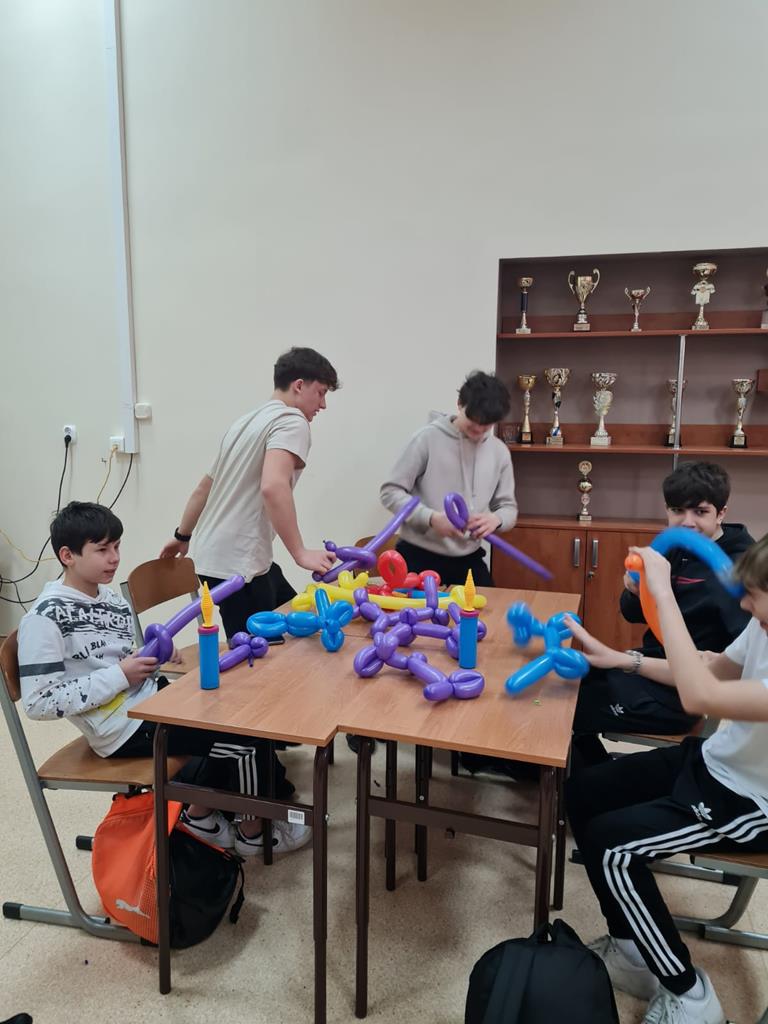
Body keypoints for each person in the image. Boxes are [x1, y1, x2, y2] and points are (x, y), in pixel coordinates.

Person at [18, 502, 309, 855]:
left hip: (150, 697)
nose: (114, 558)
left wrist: (151, 657)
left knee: (239, 711)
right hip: (120, 727)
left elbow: (115, 658)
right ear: (68, 555)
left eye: (117, 546)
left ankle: (200, 816)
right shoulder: (44, 619)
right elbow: (40, 702)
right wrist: (121, 675)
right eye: (102, 549)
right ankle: (253, 832)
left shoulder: (109, 599)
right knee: (246, 741)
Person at [566, 536, 768, 1024]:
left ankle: (691, 995)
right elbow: (709, 668)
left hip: (752, 803)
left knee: (613, 848)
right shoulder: (764, 625)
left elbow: (699, 696)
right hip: (714, 763)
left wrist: (661, 591)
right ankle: (631, 951)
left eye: (755, 596)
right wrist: (622, 658)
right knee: (583, 794)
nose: (744, 605)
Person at [573, 461, 753, 767]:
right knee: (566, 682)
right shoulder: (671, 546)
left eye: (700, 512)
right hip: (647, 664)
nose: (687, 523)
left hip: (679, 694)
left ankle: (577, 779)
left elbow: (739, 661)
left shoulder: (740, 567)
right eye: (677, 511)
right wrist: (634, 590)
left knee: (568, 707)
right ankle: (583, 772)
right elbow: (633, 614)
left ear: (721, 513)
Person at [159, 347, 339, 638]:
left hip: (216, 558)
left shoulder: (245, 423)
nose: (323, 404)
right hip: (238, 565)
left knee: (299, 626)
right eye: (321, 393)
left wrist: (182, 536)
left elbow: (204, 487)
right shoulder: (292, 421)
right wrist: (300, 553)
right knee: (258, 656)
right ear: (299, 385)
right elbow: (274, 486)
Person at [379, 370, 517, 588]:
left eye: (486, 427)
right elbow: (390, 493)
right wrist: (431, 518)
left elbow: (508, 508)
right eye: (472, 423)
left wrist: (496, 519)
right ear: (459, 404)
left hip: (468, 558)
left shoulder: (499, 452)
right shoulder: (426, 439)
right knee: (413, 610)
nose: (478, 431)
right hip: (417, 556)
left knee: (487, 608)